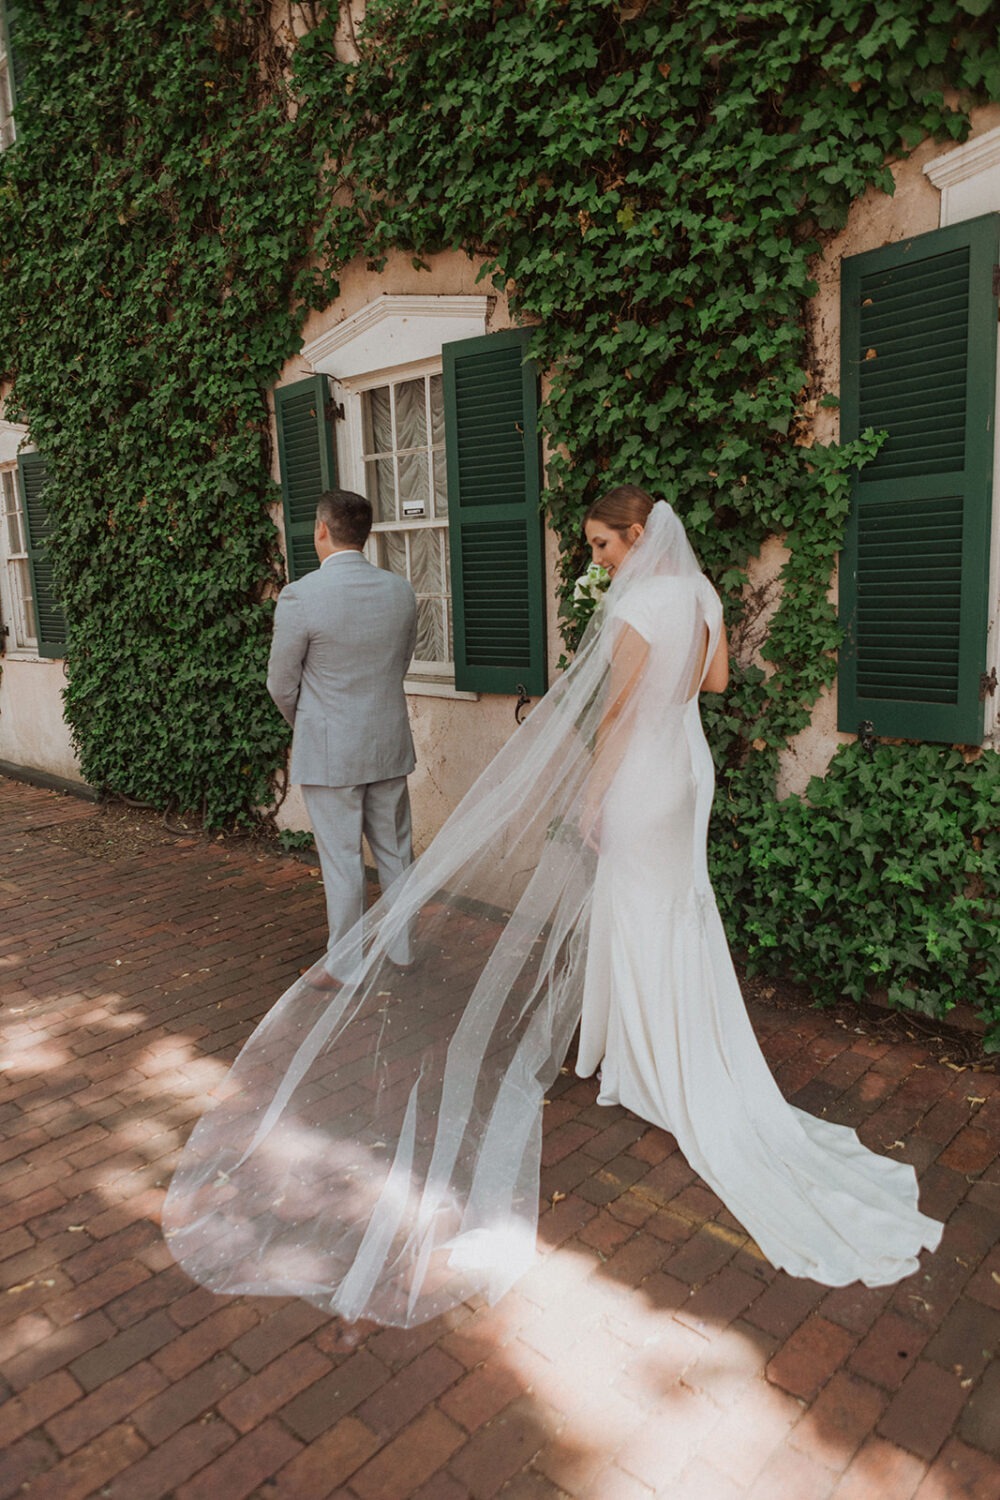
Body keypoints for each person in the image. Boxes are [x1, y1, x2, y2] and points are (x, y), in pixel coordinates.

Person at [164, 488, 942, 1328]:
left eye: (603, 545)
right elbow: (711, 682)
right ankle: (651, 1045)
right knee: (674, 906)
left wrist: (591, 796)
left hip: (641, 773)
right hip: (688, 770)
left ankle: (640, 1062)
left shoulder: (638, 599)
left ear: (638, 536)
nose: (596, 559)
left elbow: (614, 712)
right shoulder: (700, 590)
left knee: (641, 904)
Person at [266, 489, 417, 969]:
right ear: (365, 534)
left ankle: (345, 966)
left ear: (322, 530)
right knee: (396, 853)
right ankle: (401, 949)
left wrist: (311, 725)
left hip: (331, 750)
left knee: (342, 859)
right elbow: (400, 664)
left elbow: (280, 685)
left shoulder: (301, 595)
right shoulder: (400, 591)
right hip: (387, 740)